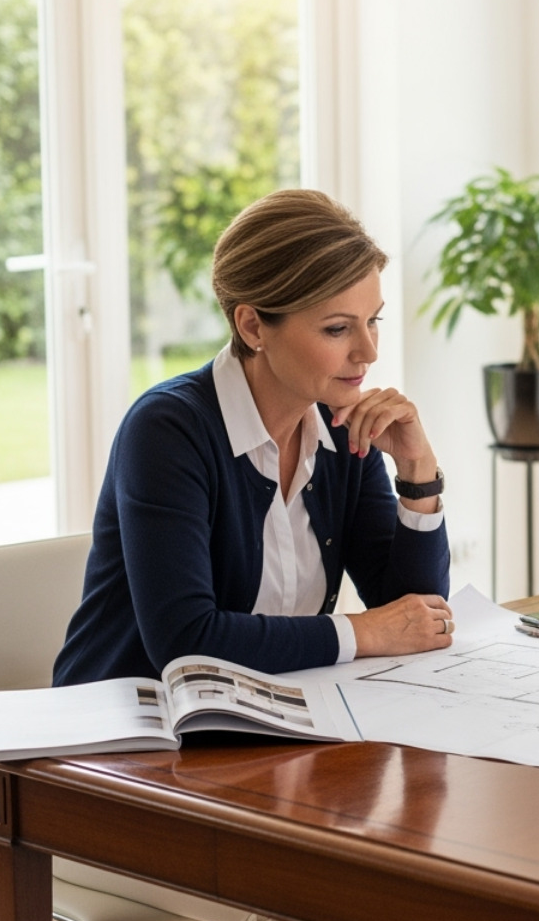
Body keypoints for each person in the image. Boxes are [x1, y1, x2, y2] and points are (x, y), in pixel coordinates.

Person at [55, 189, 453, 685]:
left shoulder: (341, 428)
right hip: (123, 737)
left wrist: (418, 475)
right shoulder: (166, 430)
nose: (368, 352)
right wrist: (362, 632)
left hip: (261, 725)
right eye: (337, 329)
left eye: (373, 321)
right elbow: (186, 642)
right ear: (252, 326)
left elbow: (417, 618)